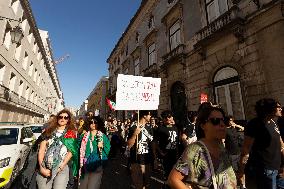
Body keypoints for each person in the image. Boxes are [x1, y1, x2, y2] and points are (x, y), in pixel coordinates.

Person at [168, 105, 237, 189]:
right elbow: (173, 179)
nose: (222, 124)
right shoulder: (195, 149)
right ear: (203, 125)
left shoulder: (221, 147)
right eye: (215, 121)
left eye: (224, 121)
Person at [238, 98, 283, 189]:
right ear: (269, 109)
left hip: (279, 169)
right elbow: (246, 149)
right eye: (278, 107)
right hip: (266, 170)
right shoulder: (254, 124)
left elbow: (281, 145)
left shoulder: (273, 122)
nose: (280, 108)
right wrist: (241, 172)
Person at [36, 109, 78, 189]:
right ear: (57, 118)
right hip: (45, 166)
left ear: (68, 120)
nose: (63, 119)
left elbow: (71, 151)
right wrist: (41, 168)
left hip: (61, 167)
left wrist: (61, 167)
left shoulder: (71, 133)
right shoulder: (48, 131)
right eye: (60, 117)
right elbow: (41, 150)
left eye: (66, 117)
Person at [78, 116, 110, 189]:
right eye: (91, 122)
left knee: (93, 186)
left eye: (95, 122)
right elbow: (78, 148)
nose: (93, 124)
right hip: (84, 164)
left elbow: (107, 150)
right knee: (82, 185)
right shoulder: (83, 136)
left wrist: (102, 146)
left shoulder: (103, 136)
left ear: (98, 124)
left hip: (96, 163)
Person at [127, 110, 154, 189]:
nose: (150, 116)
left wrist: (154, 157)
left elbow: (152, 143)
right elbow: (129, 144)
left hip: (147, 158)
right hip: (137, 158)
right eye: (149, 115)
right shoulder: (133, 127)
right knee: (139, 184)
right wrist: (135, 134)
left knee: (146, 183)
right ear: (144, 116)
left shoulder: (149, 127)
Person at [154, 110, 179, 188]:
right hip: (166, 155)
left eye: (171, 116)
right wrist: (160, 152)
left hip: (175, 154)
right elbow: (154, 142)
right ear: (164, 119)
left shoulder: (176, 127)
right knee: (167, 174)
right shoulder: (160, 128)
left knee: (175, 174)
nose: (170, 118)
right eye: (168, 117)